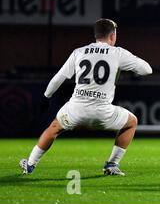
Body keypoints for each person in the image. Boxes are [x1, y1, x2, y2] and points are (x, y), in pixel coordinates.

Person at [20, 19, 153, 176]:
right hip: (103, 112)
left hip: (76, 109)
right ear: (112, 35)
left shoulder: (79, 52)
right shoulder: (118, 53)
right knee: (132, 122)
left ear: (96, 35)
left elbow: (59, 78)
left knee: (53, 128)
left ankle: (30, 164)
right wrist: (125, 67)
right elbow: (147, 70)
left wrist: (46, 98)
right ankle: (111, 164)